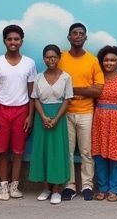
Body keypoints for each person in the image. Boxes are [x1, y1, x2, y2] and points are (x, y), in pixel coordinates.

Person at [0, 24, 36, 201]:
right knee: (1, 151)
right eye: (9, 39)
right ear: (4, 41)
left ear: (21, 41)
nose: (13, 42)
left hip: (22, 110)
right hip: (1, 110)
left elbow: (32, 93)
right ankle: (3, 186)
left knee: (18, 151)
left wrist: (31, 115)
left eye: (16, 39)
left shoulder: (29, 63)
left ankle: (15, 185)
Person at [59, 22, 103, 201]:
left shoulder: (92, 60)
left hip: (86, 112)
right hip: (65, 112)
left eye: (81, 33)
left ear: (86, 38)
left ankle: (87, 186)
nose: (78, 36)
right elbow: (56, 85)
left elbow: (98, 90)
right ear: (69, 37)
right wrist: (85, 89)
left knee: (86, 151)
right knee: (67, 151)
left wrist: (72, 90)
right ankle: (69, 186)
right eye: (74, 33)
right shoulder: (60, 57)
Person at [30, 44, 73, 204]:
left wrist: (55, 119)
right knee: (43, 152)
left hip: (59, 118)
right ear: (43, 58)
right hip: (42, 118)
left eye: (54, 57)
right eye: (47, 57)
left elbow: (67, 100)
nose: (51, 60)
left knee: (56, 153)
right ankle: (46, 188)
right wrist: (43, 117)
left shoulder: (66, 77)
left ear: (59, 58)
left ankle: (56, 190)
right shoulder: (38, 77)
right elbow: (35, 99)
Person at [92, 45, 117, 201]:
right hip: (100, 118)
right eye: (106, 60)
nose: (109, 63)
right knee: (100, 155)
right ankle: (102, 188)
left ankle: (115, 190)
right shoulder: (98, 78)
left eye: (113, 60)